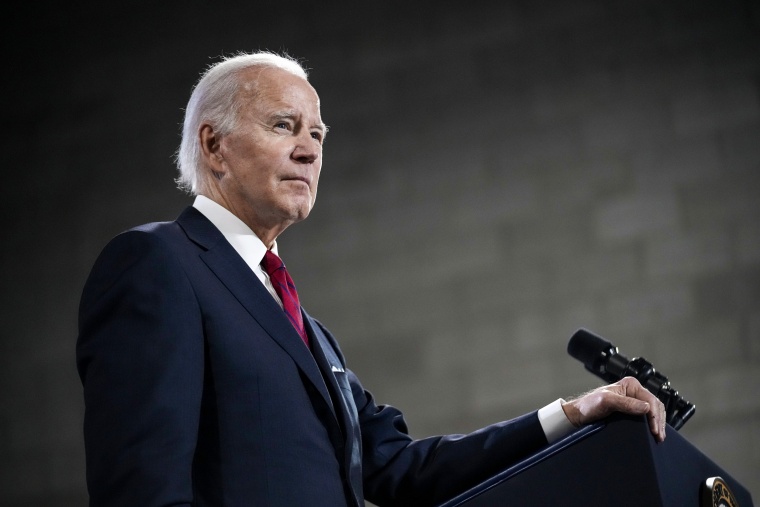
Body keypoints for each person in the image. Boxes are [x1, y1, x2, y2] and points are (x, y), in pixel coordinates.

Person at [76, 51, 666, 507]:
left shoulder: (308, 330)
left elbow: (401, 471)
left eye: (317, 135)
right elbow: (141, 490)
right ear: (214, 145)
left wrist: (574, 412)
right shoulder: (158, 263)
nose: (309, 150)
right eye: (285, 126)